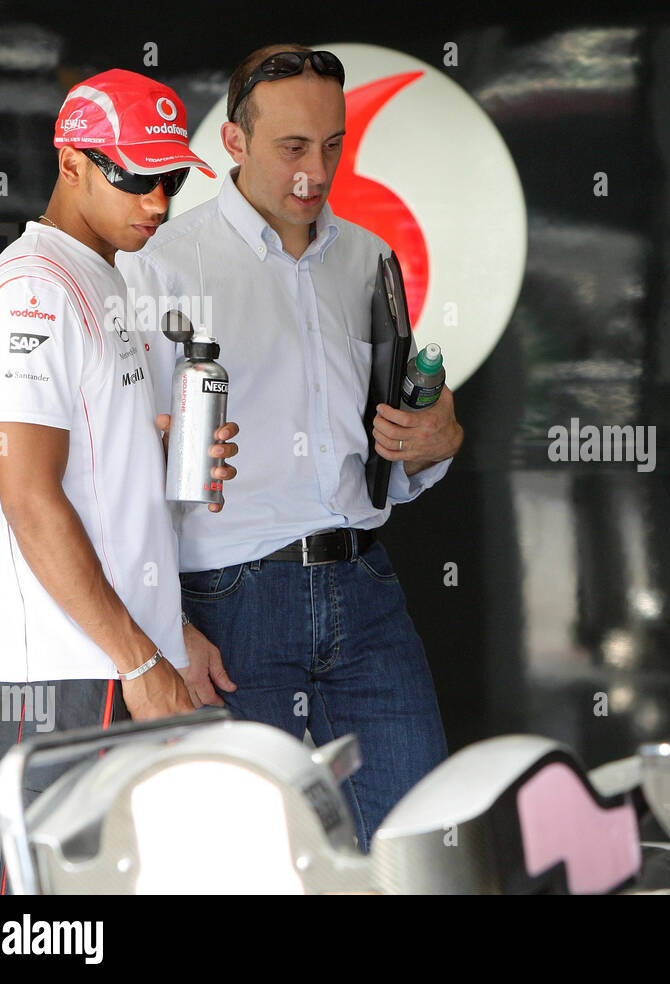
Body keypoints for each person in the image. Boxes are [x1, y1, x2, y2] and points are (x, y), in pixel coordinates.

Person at [118, 44, 463, 852]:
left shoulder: (371, 261)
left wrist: (435, 439)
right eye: (293, 147)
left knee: (415, 852)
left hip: (367, 587)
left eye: (333, 145)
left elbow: (391, 449)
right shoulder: (164, 265)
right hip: (228, 605)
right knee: (247, 863)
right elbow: (120, 466)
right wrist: (165, 624)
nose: (316, 171)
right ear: (234, 143)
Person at [0, 68, 239, 809]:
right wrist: (140, 659)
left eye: (172, 178)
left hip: (118, 653)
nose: (157, 202)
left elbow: (100, 485)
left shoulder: (106, 279)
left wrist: (168, 630)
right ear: (71, 163)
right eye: (136, 177)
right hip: (70, 669)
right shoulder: (34, 293)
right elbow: (29, 500)